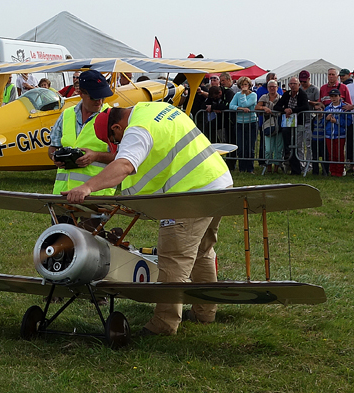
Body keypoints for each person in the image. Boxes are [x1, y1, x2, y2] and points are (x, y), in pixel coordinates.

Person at [64, 102, 232, 337]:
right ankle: (205, 312)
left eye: (116, 141)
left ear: (117, 128)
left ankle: (164, 324)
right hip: (218, 183)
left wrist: (88, 187)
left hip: (190, 194)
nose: (119, 146)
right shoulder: (155, 109)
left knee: (173, 258)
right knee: (203, 252)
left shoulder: (136, 130)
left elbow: (124, 165)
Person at [48, 69, 114, 195]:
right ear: (81, 93)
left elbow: (124, 158)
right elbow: (52, 148)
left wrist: (96, 156)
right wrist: (54, 157)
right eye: (94, 97)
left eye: (102, 96)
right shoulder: (66, 115)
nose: (99, 101)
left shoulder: (112, 118)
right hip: (63, 194)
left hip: (96, 196)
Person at [274, 77, 311, 176]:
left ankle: (299, 168)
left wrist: (293, 110)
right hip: (287, 123)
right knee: (289, 145)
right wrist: (285, 110)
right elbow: (276, 106)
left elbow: (306, 107)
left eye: (295, 83)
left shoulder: (302, 94)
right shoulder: (286, 94)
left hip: (299, 123)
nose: (293, 86)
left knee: (297, 145)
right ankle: (291, 166)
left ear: (299, 85)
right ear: (289, 85)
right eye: (291, 84)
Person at [228, 76, 258, 173]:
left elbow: (246, 104)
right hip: (240, 123)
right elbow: (231, 106)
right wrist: (240, 109)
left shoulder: (253, 95)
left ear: (249, 85)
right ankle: (241, 168)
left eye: (246, 84)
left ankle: (249, 168)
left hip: (251, 123)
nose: (244, 87)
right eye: (242, 85)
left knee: (250, 147)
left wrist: (243, 95)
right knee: (240, 147)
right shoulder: (237, 94)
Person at [256, 79, 283, 171]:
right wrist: (264, 108)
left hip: (279, 124)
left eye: (274, 87)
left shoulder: (281, 98)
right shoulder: (264, 97)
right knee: (268, 148)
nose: (272, 88)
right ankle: (268, 167)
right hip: (268, 124)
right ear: (267, 88)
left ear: (277, 88)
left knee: (278, 148)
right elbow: (257, 107)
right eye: (270, 87)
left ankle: (276, 168)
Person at [322, 88, 349, 176]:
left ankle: (340, 171)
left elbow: (348, 122)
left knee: (339, 154)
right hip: (329, 135)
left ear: (340, 97)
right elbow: (322, 122)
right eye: (332, 96)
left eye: (335, 96)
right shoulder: (327, 108)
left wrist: (336, 121)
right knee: (331, 154)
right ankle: (332, 171)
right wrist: (326, 119)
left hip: (340, 134)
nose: (334, 98)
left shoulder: (344, 108)